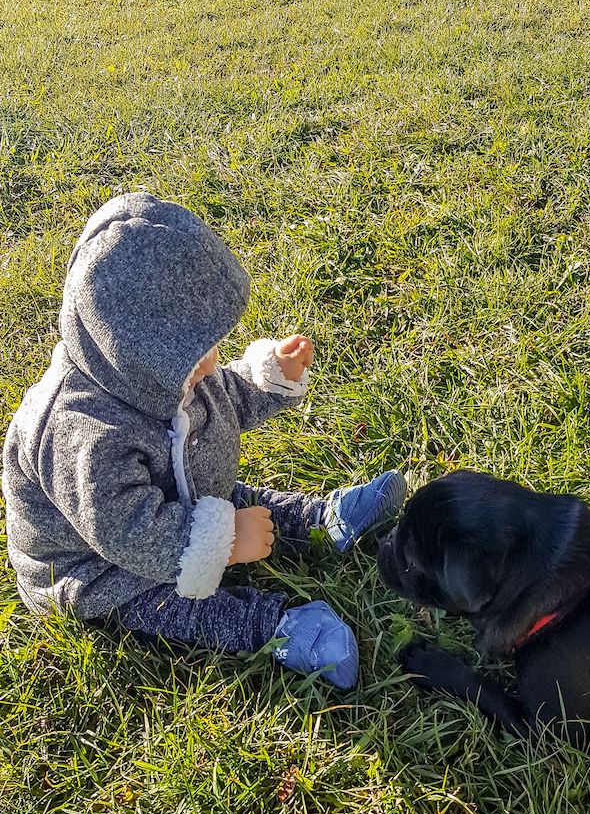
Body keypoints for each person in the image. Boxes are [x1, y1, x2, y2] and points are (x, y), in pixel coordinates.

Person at [1, 193, 405, 688]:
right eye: (201, 355)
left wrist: (270, 375)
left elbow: (225, 399)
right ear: (138, 351)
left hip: (178, 496)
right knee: (173, 605)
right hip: (97, 569)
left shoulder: (161, 371)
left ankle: (320, 520)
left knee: (241, 501)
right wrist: (227, 539)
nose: (213, 363)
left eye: (213, 345)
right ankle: (272, 627)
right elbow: (129, 533)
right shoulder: (79, 434)